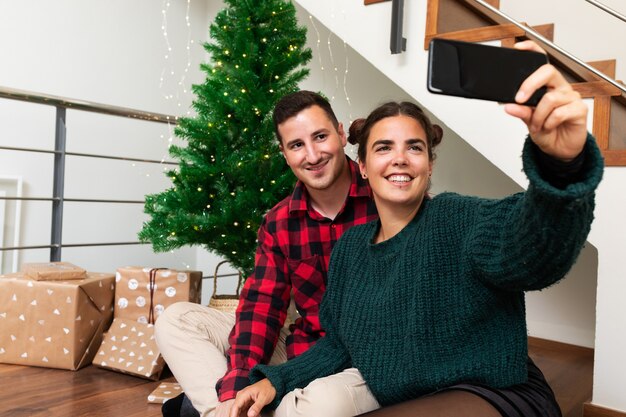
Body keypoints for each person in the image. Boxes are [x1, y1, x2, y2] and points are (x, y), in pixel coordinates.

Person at [229, 41, 604, 417]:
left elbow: (535, 253)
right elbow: (340, 346)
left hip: (489, 393)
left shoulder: (458, 217)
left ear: (429, 165)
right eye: (383, 148)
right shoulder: (350, 249)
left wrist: (562, 165)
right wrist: (275, 380)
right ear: (361, 166)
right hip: (410, 398)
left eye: (414, 147)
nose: (399, 159)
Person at [155, 90, 378, 417]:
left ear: (341, 134)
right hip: (302, 347)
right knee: (176, 320)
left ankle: (213, 407)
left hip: (359, 361)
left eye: (320, 137)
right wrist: (234, 387)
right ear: (285, 154)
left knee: (320, 405)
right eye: (297, 145)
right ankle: (230, 408)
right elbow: (262, 307)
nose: (312, 155)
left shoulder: (385, 195)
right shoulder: (279, 221)